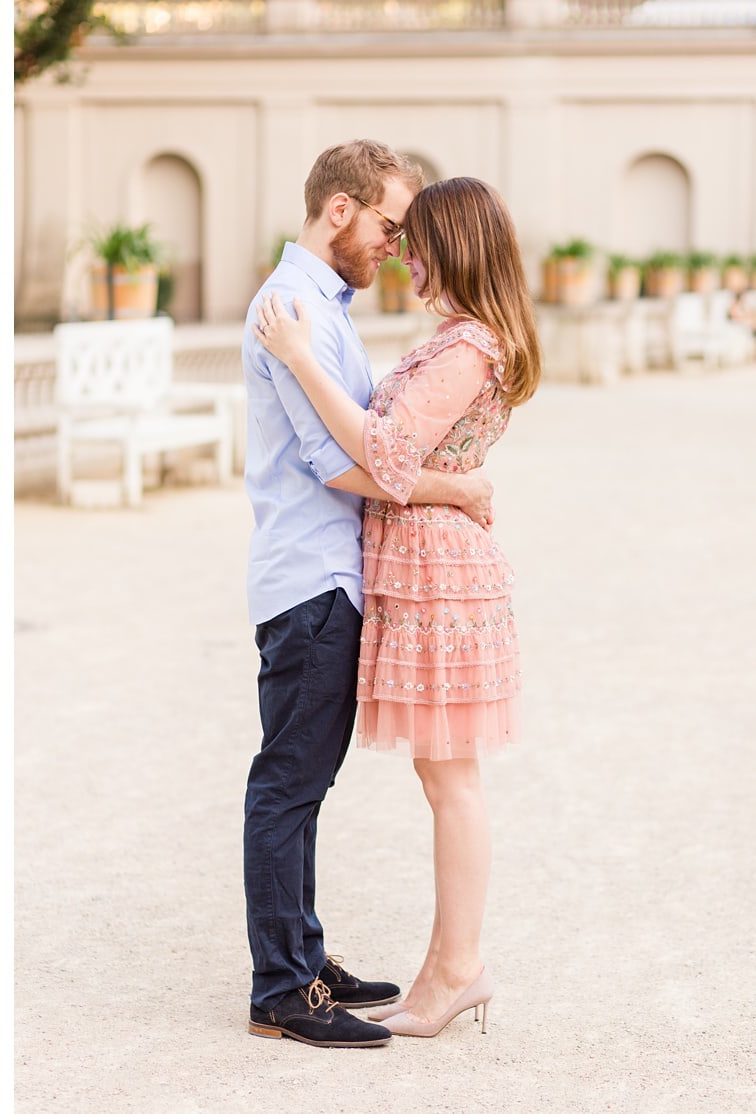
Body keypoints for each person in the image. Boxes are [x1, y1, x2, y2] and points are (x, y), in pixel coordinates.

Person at [253, 175, 540, 1039]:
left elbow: (383, 448)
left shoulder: (465, 349)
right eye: (398, 232)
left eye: (417, 237)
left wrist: (303, 359)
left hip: (438, 573)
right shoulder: (459, 339)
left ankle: (456, 969)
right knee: (441, 774)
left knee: (450, 777)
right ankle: (443, 967)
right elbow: (401, 455)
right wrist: (459, 484)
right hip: (415, 566)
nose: (406, 252)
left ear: (455, 244)